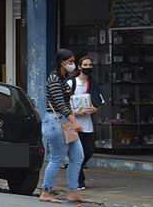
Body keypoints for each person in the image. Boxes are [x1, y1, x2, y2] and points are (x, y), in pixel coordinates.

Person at [40, 48, 88, 203]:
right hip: (56, 122)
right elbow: (59, 103)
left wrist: (74, 114)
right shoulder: (54, 78)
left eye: (74, 61)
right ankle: (46, 192)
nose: (73, 65)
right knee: (57, 159)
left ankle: (73, 192)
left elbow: (64, 102)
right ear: (62, 62)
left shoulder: (63, 78)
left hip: (65, 122)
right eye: (71, 62)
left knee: (78, 156)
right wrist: (74, 122)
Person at [66, 56, 104, 190]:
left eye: (90, 64)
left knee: (88, 151)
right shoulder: (71, 83)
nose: (88, 67)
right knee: (77, 154)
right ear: (80, 67)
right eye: (85, 65)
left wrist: (94, 109)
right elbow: (60, 103)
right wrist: (74, 112)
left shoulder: (93, 83)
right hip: (73, 125)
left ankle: (74, 172)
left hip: (88, 125)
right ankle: (79, 181)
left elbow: (100, 102)